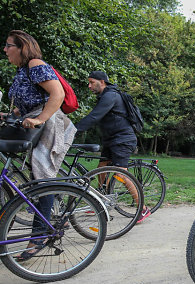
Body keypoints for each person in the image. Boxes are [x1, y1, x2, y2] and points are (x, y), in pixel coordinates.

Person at [3, 30, 76, 260]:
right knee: (36, 177)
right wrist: (6, 115)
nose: (5, 50)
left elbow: (57, 93)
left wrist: (40, 119)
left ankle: (39, 236)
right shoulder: (22, 71)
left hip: (51, 124)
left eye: (8, 46)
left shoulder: (35, 64)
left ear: (22, 47)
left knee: (43, 179)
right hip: (35, 123)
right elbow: (25, 105)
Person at [75, 71, 151, 223]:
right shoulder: (105, 96)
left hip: (122, 140)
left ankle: (142, 208)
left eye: (91, 82)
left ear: (102, 82)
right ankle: (101, 201)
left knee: (121, 174)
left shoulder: (111, 96)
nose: (89, 86)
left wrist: (72, 130)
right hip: (111, 140)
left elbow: (95, 116)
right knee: (101, 169)